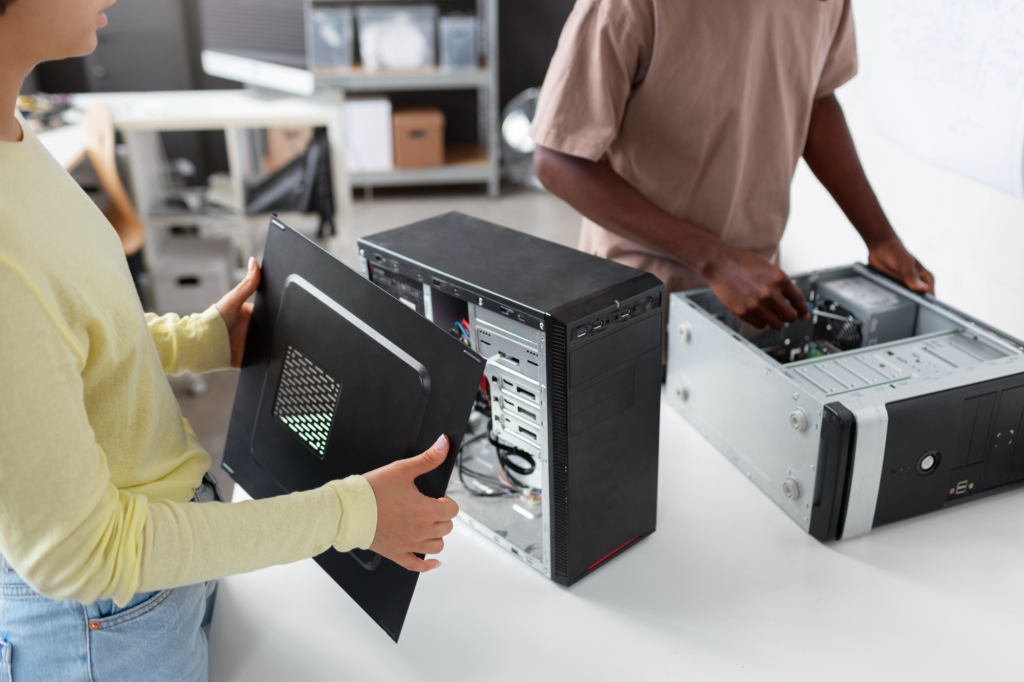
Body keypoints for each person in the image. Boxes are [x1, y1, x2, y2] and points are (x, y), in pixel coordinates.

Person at [0, 1, 457, 679]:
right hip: (106, 624)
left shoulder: (12, 137)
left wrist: (199, 339)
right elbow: (84, 553)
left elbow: (69, 338)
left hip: (155, 573)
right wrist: (351, 514)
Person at [531, 0, 934, 331]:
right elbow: (558, 158)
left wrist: (880, 238)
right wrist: (716, 259)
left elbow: (815, 98)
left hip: (756, 285)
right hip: (638, 293)